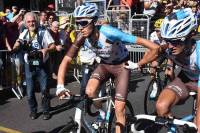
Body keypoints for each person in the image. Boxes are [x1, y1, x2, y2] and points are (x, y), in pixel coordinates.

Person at [56, 3, 160, 133]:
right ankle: (102, 113)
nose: (80, 27)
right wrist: (60, 85)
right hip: (105, 65)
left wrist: (139, 64)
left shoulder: (110, 33)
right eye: (77, 23)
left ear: (94, 21)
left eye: (83, 23)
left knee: (119, 109)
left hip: (122, 67)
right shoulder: (81, 37)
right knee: (89, 92)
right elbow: (66, 60)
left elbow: (155, 47)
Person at [154, 8, 200, 130]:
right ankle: (180, 127)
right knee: (161, 107)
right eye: (167, 41)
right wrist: (145, 63)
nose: (170, 46)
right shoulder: (170, 47)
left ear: (190, 35)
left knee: (199, 123)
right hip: (186, 78)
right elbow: (158, 52)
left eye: (174, 41)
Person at [13, 12, 55, 120]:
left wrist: (46, 49)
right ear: (26, 23)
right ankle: (33, 111)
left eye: (33, 21)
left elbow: (53, 46)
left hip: (42, 66)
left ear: (36, 21)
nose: (32, 23)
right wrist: (17, 45)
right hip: (29, 66)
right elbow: (17, 44)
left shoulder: (44, 32)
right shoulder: (24, 33)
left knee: (44, 90)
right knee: (30, 92)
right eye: (29, 21)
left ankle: (46, 111)